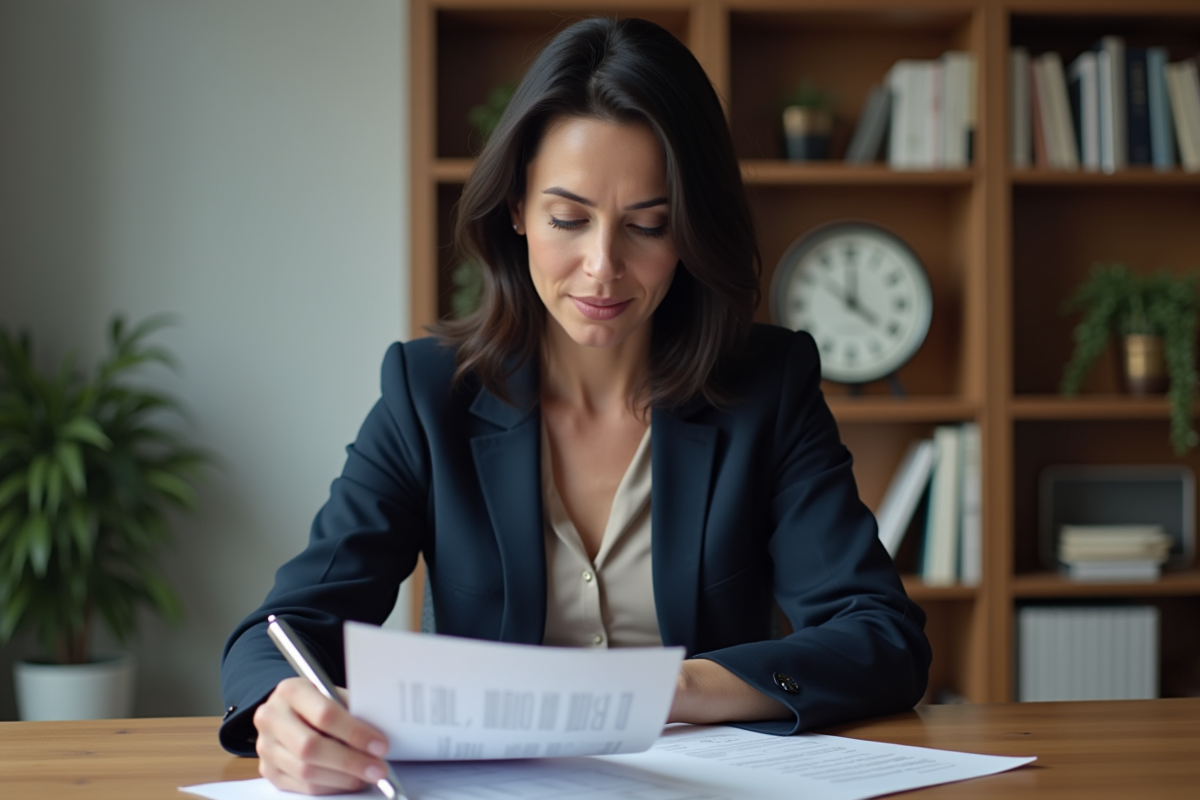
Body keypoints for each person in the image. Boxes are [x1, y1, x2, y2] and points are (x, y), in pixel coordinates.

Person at [220, 16, 931, 795]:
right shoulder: (429, 396)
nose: (602, 268)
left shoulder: (768, 386)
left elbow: (880, 637)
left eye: (647, 226)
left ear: (689, 232)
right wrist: (282, 710)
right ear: (517, 209)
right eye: (568, 219)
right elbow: (278, 633)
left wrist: (671, 690)